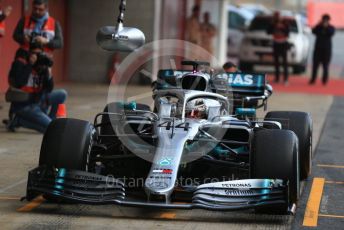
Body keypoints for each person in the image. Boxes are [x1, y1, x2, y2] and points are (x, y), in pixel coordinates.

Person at [6, 46, 67, 133]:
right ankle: (19, 121)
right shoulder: (20, 64)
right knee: (51, 130)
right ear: (29, 53)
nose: (37, 56)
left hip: (37, 101)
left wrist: (49, 74)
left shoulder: (41, 66)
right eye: (35, 53)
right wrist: (30, 64)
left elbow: (49, 89)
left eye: (39, 54)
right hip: (23, 105)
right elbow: (19, 82)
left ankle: (49, 120)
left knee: (62, 94)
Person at [309, 14, 335, 85]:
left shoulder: (331, 27)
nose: (325, 21)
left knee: (325, 66)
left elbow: (331, 33)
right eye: (324, 20)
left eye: (326, 20)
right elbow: (313, 31)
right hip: (318, 49)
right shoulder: (318, 27)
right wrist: (318, 24)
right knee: (315, 65)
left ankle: (324, 80)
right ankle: (313, 79)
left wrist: (326, 27)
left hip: (326, 50)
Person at [267, 12, 290, 85]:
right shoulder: (273, 23)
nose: (278, 18)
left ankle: (285, 79)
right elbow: (268, 32)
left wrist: (282, 27)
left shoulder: (285, 23)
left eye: (279, 16)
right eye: (276, 17)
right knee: (276, 62)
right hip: (276, 43)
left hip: (283, 44)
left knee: (284, 63)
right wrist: (272, 24)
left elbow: (288, 33)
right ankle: (277, 78)